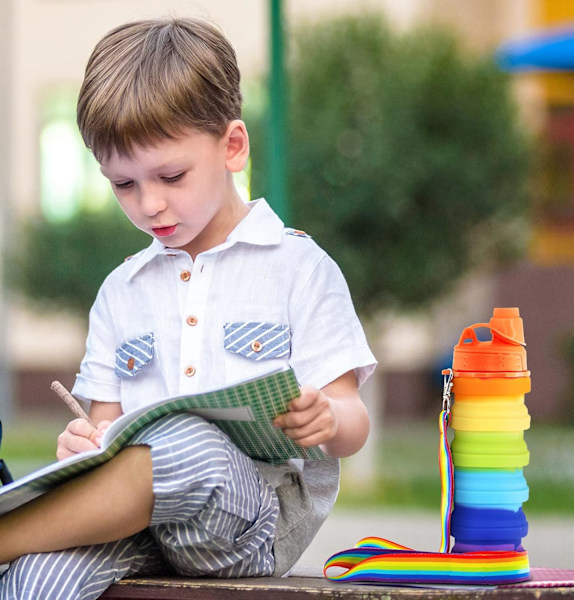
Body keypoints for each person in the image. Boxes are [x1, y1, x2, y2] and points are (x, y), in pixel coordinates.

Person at [0, 16, 376, 599]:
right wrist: (85, 442)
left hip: (251, 526)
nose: (150, 203)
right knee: (36, 575)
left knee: (183, 440)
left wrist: (327, 417)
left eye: (170, 175)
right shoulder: (121, 290)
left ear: (232, 146)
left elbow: (353, 422)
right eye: (123, 185)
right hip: (145, 528)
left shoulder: (298, 268)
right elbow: (106, 422)